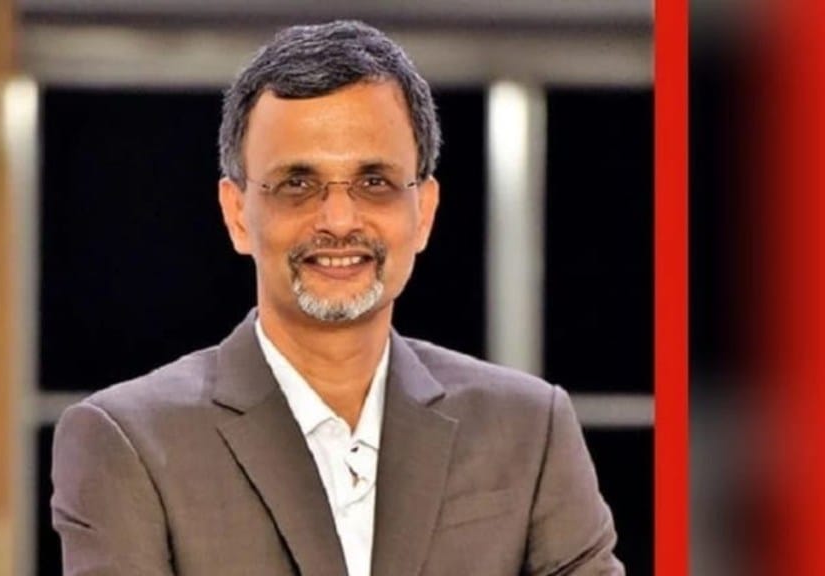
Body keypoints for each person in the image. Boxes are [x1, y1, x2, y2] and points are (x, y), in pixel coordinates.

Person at [51, 20, 623, 576]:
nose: (340, 220)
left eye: (374, 182)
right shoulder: (127, 442)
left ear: (423, 212)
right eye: (298, 184)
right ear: (237, 214)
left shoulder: (529, 430)